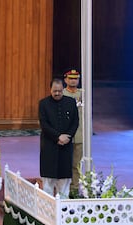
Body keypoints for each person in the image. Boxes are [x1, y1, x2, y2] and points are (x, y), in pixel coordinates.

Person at [39, 78, 79, 198]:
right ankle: (48, 213)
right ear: (50, 89)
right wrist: (57, 137)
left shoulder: (71, 102)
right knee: (48, 184)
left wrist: (68, 137)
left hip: (65, 147)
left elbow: (75, 122)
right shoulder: (43, 103)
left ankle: (63, 210)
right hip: (49, 146)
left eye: (60, 91)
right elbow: (44, 124)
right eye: (54, 91)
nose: (57, 93)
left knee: (64, 183)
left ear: (63, 90)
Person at [63, 69, 84, 198]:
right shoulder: (62, 94)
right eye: (70, 78)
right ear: (65, 79)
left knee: (76, 166)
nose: (73, 81)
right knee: (65, 164)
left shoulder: (83, 94)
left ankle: (74, 191)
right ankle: (63, 191)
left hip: (79, 135)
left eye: (75, 78)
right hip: (66, 136)